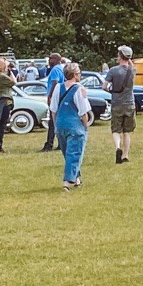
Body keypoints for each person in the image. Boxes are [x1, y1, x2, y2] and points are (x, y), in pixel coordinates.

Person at [52, 61, 92, 190]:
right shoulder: (79, 89)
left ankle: (76, 179)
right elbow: (83, 112)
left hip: (60, 125)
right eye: (79, 73)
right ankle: (68, 181)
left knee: (67, 153)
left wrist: (56, 125)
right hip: (75, 125)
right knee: (74, 154)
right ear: (75, 74)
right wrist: (85, 126)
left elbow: (53, 109)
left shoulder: (58, 87)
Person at [105, 45, 137, 164]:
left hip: (116, 103)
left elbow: (104, 86)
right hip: (130, 103)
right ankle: (125, 155)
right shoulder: (132, 70)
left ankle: (118, 147)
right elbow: (131, 65)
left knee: (116, 129)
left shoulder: (113, 70)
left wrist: (111, 91)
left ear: (120, 56)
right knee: (127, 131)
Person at [40, 53, 66, 151]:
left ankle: (49, 144)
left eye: (51, 59)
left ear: (56, 59)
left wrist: (50, 96)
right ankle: (61, 143)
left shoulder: (55, 69)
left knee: (53, 121)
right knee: (58, 121)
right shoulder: (61, 68)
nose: (49, 60)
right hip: (60, 97)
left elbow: (54, 83)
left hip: (55, 97)